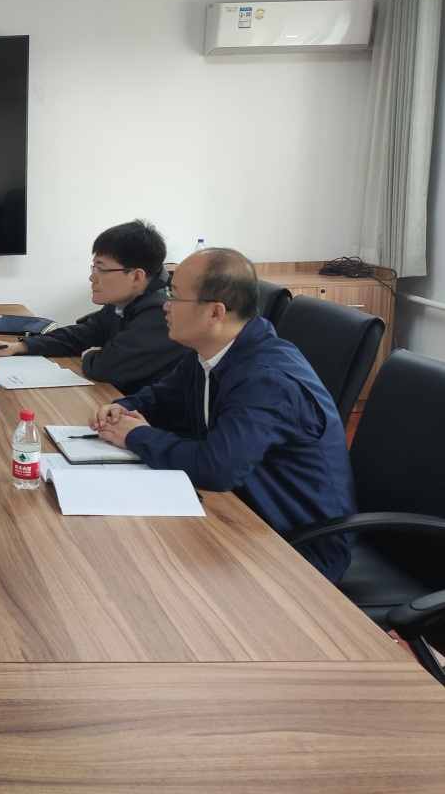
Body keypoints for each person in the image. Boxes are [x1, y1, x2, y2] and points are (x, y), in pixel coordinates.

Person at [89, 247, 356, 582]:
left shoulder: (266, 380)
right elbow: (162, 398)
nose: (165, 306)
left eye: (174, 297)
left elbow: (217, 468)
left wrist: (136, 436)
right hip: (239, 512)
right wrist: (124, 407)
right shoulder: (211, 351)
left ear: (215, 312)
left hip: (296, 546)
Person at [0, 219, 185, 394]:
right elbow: (82, 334)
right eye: (94, 268)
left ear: (137, 276)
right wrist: (21, 347)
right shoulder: (126, 301)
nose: (92, 277)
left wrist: (91, 355)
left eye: (101, 270)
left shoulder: (163, 312)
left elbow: (105, 366)